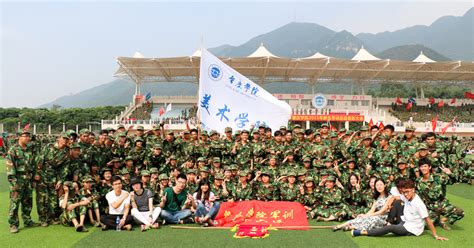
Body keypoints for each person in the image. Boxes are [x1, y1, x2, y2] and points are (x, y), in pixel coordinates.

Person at [351, 179, 448, 241]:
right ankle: (389, 222)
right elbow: (395, 197)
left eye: (407, 192)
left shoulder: (419, 204)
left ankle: (362, 232)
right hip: (405, 221)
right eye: (404, 192)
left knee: (390, 229)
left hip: (411, 229)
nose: (405, 194)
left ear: (413, 190)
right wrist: (388, 204)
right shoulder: (407, 196)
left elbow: (427, 220)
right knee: (397, 203)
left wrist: (435, 235)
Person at [6, 130, 38, 233]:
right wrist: (14, 184)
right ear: (19, 137)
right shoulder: (13, 150)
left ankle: (27, 220)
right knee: (15, 203)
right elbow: (10, 168)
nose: (28, 138)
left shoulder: (30, 150)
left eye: (29, 136)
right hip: (18, 180)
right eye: (26, 136)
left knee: (27, 202)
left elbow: (32, 165)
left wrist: (33, 179)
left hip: (28, 180)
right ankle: (13, 224)